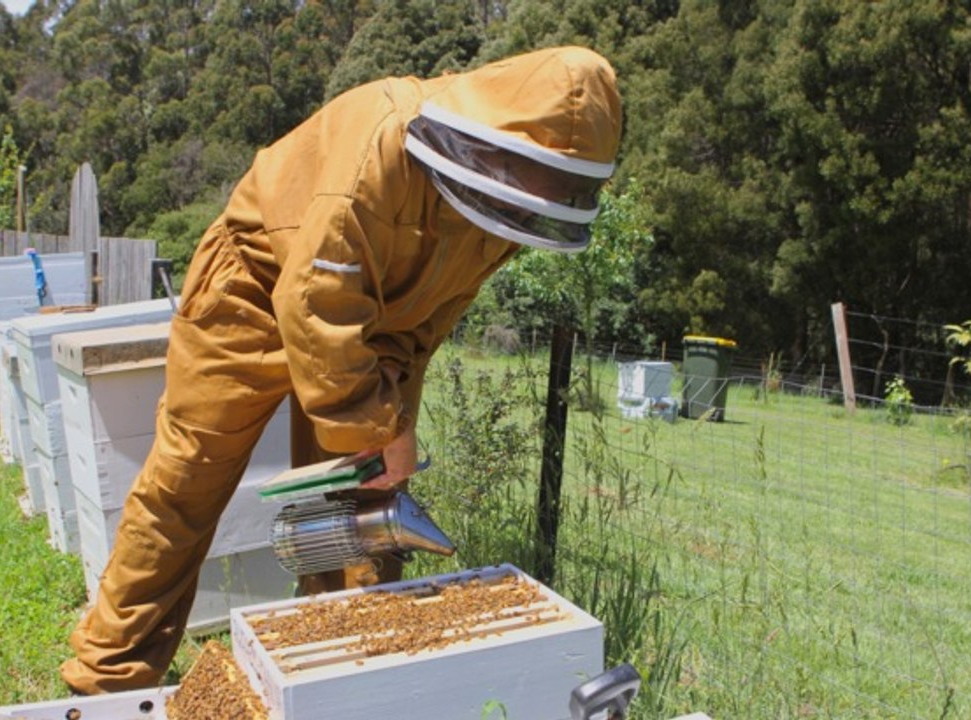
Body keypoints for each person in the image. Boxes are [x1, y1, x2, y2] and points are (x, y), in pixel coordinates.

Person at [59, 44, 622, 694]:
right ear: (494, 140)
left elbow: (424, 321)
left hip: (367, 320)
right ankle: (107, 677)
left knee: (362, 496)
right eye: (536, 182)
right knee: (187, 482)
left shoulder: (504, 205)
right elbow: (313, 301)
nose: (537, 203)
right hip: (255, 283)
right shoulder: (377, 146)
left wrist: (392, 425)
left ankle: (345, 673)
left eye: (556, 190)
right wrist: (379, 424)